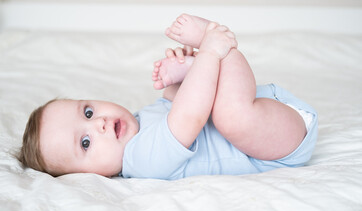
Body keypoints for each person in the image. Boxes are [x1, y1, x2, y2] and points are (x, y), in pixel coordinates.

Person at [18, 14, 318, 180]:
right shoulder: (140, 161)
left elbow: (178, 104)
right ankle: (215, 47)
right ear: (90, 176)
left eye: (87, 112)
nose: (99, 124)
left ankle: (212, 55)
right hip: (277, 148)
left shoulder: (138, 121)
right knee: (229, 117)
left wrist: (180, 78)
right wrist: (205, 57)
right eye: (85, 143)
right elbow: (190, 116)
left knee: (218, 104)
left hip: (270, 118)